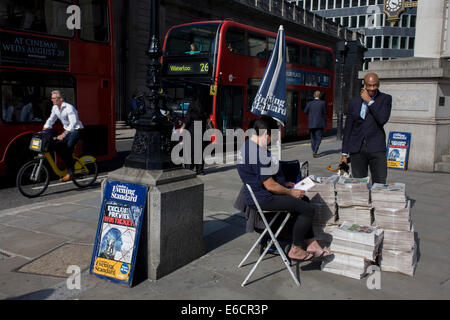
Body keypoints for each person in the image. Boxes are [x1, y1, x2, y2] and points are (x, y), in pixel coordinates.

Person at [236, 115, 331, 262]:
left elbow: (263, 179)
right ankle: (296, 249)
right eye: (272, 136)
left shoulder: (248, 146)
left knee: (304, 200)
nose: (273, 140)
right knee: (307, 209)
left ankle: (312, 244)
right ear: (266, 134)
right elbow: (270, 185)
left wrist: (284, 185)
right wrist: (291, 192)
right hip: (263, 198)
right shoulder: (258, 152)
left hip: (257, 195)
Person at [340, 72, 392, 184]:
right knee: (358, 184)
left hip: (376, 148)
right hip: (357, 149)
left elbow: (382, 119)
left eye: (375, 85)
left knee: (380, 182)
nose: (372, 88)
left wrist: (370, 101)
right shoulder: (354, 102)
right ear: (364, 85)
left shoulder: (385, 99)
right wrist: (344, 153)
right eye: (369, 85)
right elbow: (348, 128)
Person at [43, 90, 84, 182]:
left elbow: (73, 123)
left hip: (76, 130)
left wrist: (64, 134)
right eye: (52, 98)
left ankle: (71, 172)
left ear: (61, 99)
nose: (52, 100)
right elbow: (51, 119)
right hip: (67, 130)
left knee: (68, 149)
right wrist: (45, 129)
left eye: (54, 98)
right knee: (57, 146)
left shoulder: (69, 108)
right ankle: (70, 163)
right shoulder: (55, 108)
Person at [180, 88, 209, 175]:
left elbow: (187, 121)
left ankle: (189, 169)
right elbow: (206, 122)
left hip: (191, 133)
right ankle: (200, 170)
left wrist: (182, 129)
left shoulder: (192, 110)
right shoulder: (203, 110)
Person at [304, 90, 327, 157]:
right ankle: (315, 150)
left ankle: (313, 149)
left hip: (311, 123)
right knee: (318, 138)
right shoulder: (323, 103)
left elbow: (305, 111)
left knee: (312, 138)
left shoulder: (309, 103)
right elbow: (325, 112)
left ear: (314, 95)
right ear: (320, 96)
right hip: (320, 123)